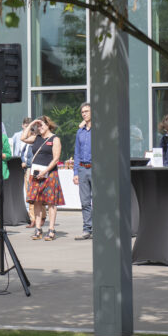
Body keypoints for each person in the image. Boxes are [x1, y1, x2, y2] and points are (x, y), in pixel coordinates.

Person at [22, 115, 64, 241]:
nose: (39, 128)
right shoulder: (36, 138)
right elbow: (22, 137)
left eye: (41, 125)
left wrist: (45, 171)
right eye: (38, 126)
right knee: (37, 201)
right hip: (36, 174)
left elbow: (56, 159)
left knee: (51, 202)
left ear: (48, 125)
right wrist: (32, 123)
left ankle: (51, 229)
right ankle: (38, 229)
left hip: (50, 173)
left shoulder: (55, 139)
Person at [73, 103, 93, 240]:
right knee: (85, 201)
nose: (84, 114)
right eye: (82, 112)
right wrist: (75, 172)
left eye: (86, 111)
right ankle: (87, 229)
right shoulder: (80, 132)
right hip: (82, 168)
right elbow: (77, 153)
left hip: (96, 168)